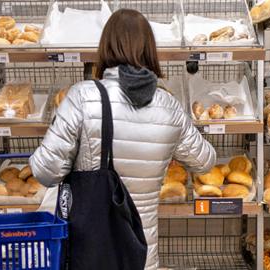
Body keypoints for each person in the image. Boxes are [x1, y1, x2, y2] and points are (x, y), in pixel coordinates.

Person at [29, 8, 216, 270]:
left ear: (105, 47)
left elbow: (44, 171)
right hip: (141, 253)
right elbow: (205, 161)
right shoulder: (168, 106)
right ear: (150, 50)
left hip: (92, 250)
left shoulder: (82, 97)